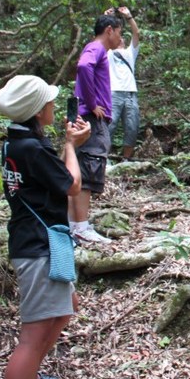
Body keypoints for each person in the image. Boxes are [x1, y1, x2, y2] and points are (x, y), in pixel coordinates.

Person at [0, 75, 91, 379]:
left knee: (65, 310)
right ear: (38, 111)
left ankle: (31, 378)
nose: (53, 106)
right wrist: (71, 146)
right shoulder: (33, 149)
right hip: (40, 247)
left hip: (37, 240)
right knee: (31, 340)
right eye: (49, 102)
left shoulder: (14, 142)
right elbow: (72, 185)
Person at [69, 13, 122, 244]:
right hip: (89, 117)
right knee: (89, 169)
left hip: (81, 115)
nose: (120, 38)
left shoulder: (95, 49)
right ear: (109, 30)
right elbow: (83, 66)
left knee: (78, 169)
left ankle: (73, 224)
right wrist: (92, 104)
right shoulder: (96, 48)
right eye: (119, 32)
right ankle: (80, 226)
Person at [105, 6, 140, 161]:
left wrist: (129, 16)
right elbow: (102, 37)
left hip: (131, 93)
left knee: (132, 127)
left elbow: (136, 33)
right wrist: (106, 18)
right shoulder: (108, 52)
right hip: (114, 93)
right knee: (109, 126)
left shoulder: (130, 53)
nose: (121, 38)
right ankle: (103, 157)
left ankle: (126, 160)